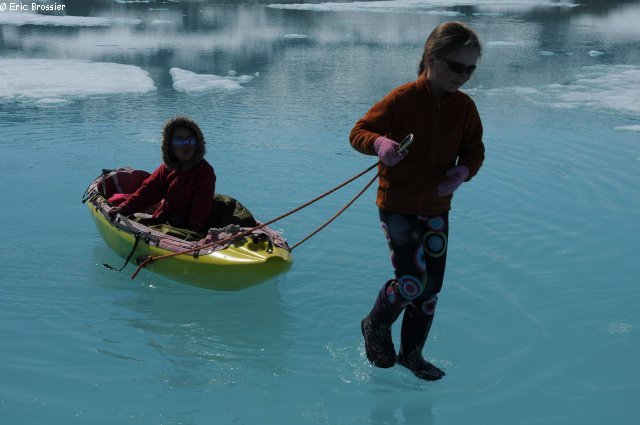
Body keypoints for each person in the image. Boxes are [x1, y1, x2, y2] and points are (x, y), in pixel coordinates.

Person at [349, 21, 485, 381]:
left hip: (438, 210)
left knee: (430, 291)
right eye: (457, 66)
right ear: (432, 58)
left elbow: (474, 150)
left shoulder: (464, 108)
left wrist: (464, 171)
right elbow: (359, 132)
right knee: (411, 281)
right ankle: (375, 324)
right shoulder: (402, 99)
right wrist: (380, 144)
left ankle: (412, 355)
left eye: (471, 68)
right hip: (398, 206)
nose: (465, 75)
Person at [108, 115, 216, 234]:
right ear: (170, 146)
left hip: (187, 227)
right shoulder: (167, 168)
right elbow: (148, 191)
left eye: (190, 140)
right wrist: (125, 208)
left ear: (197, 143)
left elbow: (201, 206)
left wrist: (191, 233)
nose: (186, 145)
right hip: (167, 220)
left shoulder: (204, 171)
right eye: (179, 141)